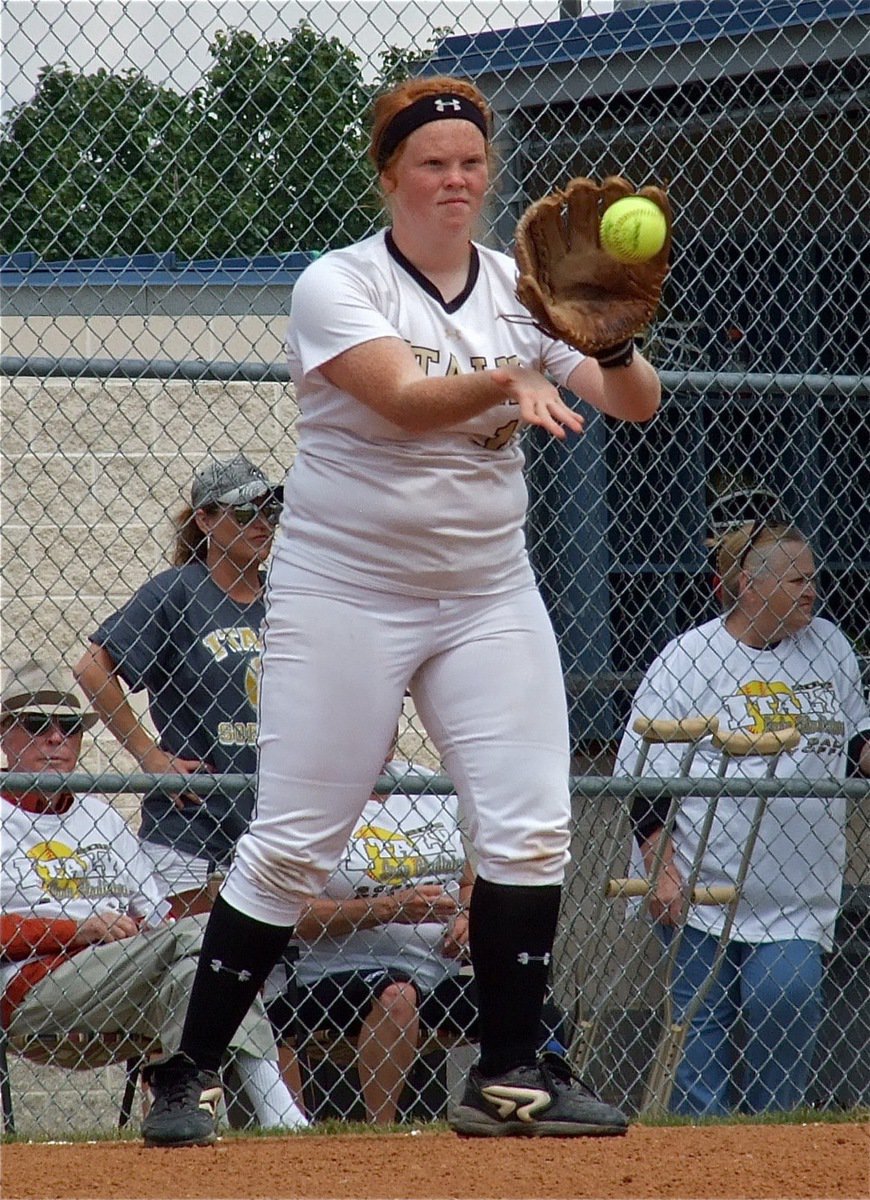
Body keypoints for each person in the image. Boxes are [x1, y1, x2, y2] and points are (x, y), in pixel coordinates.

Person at [141, 74, 662, 1147]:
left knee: (530, 822)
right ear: (389, 178)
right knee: (293, 842)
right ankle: (186, 1071)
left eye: (471, 161)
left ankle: (511, 1073)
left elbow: (634, 402)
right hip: (348, 592)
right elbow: (404, 399)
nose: (456, 178)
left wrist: (608, 341)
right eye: (432, 163)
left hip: (484, 591)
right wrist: (507, 378)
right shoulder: (339, 285)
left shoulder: (520, 283)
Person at [616, 520, 870, 1115]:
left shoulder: (829, 646)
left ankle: (770, 1143)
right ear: (750, 587)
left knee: (786, 1001)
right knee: (701, 1028)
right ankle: (702, 1159)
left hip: (796, 892)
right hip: (703, 884)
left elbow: (857, 739)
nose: (813, 588)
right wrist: (661, 866)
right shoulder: (689, 658)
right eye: (796, 577)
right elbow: (645, 778)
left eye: (813, 575)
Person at [0, 660, 308, 1135]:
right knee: (215, 936)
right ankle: (279, 1111)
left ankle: (183, 1122)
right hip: (36, 990)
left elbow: (159, 917)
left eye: (70, 727)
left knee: (196, 970)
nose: (56, 738)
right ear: (5, 736)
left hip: (123, 979)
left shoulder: (100, 817)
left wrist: (136, 936)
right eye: (38, 725)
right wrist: (81, 930)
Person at [269, 732, 569, 1124]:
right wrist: (388, 909)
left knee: (532, 1003)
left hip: (435, 973)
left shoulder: (423, 786)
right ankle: (383, 1131)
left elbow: (466, 882)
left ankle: (532, 1111)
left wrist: (468, 917)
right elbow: (290, 914)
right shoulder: (311, 797)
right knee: (397, 995)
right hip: (333, 976)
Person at [74, 454, 282, 919]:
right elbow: (92, 668)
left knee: (270, 977)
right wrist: (149, 755)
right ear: (206, 520)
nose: (262, 523)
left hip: (272, 825)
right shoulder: (178, 593)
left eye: (270, 511)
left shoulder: (287, 598)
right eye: (245, 512)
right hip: (192, 829)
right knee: (193, 966)